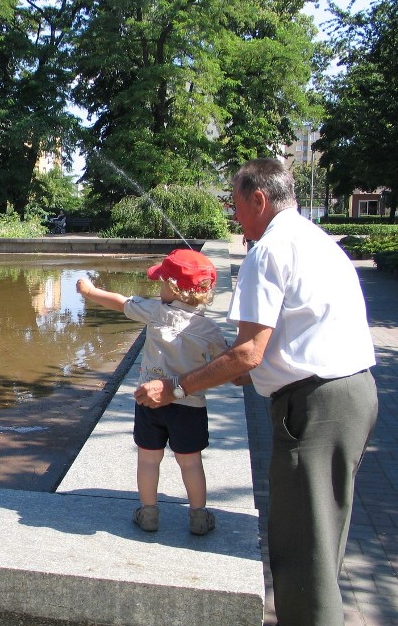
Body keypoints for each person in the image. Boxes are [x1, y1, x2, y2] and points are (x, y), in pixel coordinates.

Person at [134, 157, 378, 626]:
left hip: (316, 406)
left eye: (236, 203)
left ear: (259, 199)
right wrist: (232, 372)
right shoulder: (315, 241)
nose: (232, 214)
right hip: (352, 393)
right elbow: (281, 344)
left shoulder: (267, 251)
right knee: (324, 532)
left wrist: (176, 387)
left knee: (305, 546)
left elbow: (248, 352)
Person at [77, 249, 228, 535]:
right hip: (189, 404)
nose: (158, 288)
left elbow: (120, 303)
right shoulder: (209, 329)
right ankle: (198, 517)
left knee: (148, 459)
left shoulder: (155, 311)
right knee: (191, 463)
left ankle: (148, 513)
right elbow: (227, 362)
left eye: (161, 283)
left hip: (149, 402)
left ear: (172, 288)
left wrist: (90, 291)